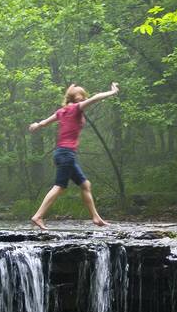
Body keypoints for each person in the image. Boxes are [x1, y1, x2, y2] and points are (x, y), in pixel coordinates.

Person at [28, 82, 119, 230]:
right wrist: (112, 92)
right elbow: (96, 98)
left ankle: (96, 217)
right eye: (81, 95)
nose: (83, 98)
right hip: (66, 154)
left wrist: (36, 125)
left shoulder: (62, 111)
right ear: (76, 98)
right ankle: (38, 216)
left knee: (85, 185)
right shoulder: (76, 108)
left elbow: (44, 123)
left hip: (62, 153)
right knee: (60, 187)